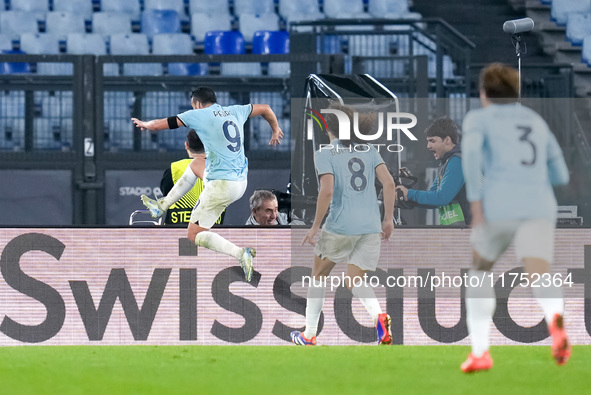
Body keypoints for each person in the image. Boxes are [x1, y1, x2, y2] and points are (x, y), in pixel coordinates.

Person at [460, 63, 571, 373]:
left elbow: (469, 157)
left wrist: (475, 204)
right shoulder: (535, 120)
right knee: (539, 272)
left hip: (499, 204)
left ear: (484, 93)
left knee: (480, 269)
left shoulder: (479, 119)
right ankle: (555, 320)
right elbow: (560, 174)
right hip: (539, 205)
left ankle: (481, 352)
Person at [131, 86, 283, 282]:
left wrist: (147, 124)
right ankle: (162, 205)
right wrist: (275, 128)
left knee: (194, 235)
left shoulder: (200, 114)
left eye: (193, 106)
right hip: (240, 181)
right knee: (196, 164)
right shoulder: (235, 110)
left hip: (222, 185)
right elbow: (266, 108)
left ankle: (240, 253)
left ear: (197, 103)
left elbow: (165, 123)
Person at [291, 104, 396, 346]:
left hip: (340, 225)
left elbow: (326, 190)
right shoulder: (369, 150)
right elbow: (389, 184)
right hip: (370, 226)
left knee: (318, 275)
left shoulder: (325, 153)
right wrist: (388, 219)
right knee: (355, 281)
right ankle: (379, 317)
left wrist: (315, 226)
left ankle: (309, 335)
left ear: (327, 127)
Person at [395, 116, 470, 225]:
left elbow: (441, 198)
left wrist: (410, 194)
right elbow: (433, 199)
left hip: (475, 230)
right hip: (467, 230)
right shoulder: (448, 162)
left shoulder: (458, 161)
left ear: (447, 140)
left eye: (432, 141)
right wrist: (406, 198)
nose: (428, 146)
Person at [160, 129, 224, 226]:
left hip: (176, 233)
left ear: (187, 145)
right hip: (212, 232)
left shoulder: (174, 169)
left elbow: (166, 194)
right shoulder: (221, 170)